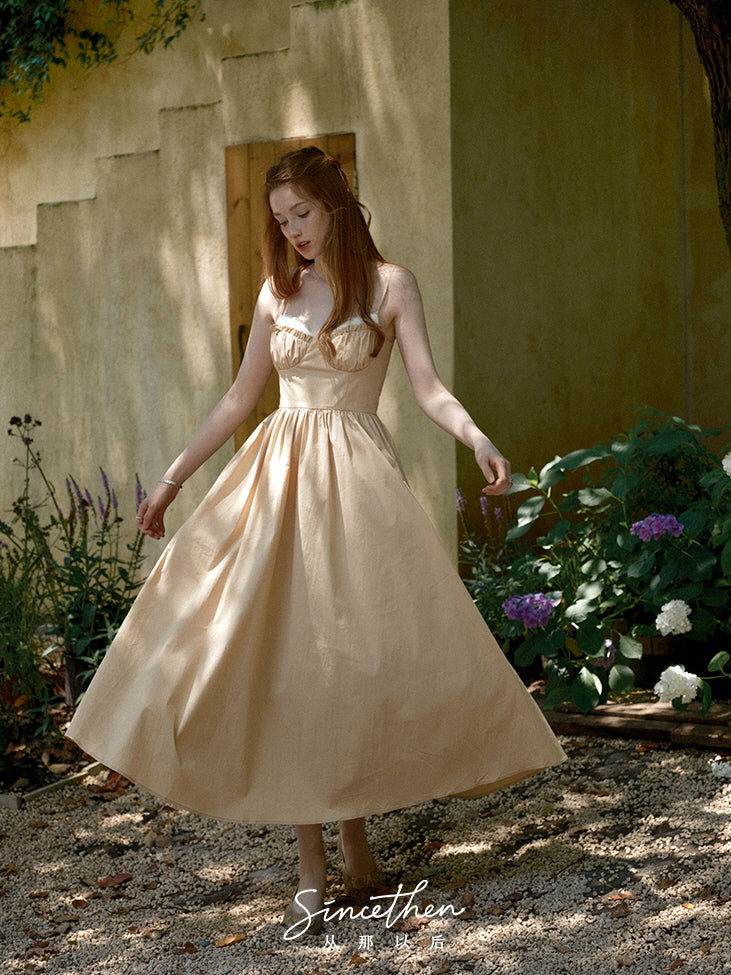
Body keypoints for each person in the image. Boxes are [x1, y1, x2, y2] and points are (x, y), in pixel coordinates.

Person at [67, 146, 566, 937]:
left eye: (301, 212)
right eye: (280, 220)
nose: (292, 230)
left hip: (360, 488)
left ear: (336, 202)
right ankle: (312, 864)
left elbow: (427, 385)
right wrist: (170, 480)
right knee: (288, 660)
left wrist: (475, 438)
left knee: (350, 659)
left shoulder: (390, 284)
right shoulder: (276, 294)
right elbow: (239, 399)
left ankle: (359, 852)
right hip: (277, 485)